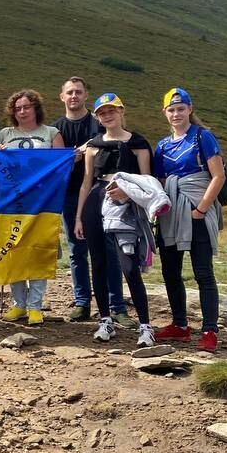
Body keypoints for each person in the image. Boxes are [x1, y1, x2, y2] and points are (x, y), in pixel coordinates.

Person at [74, 93, 155, 345]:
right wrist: (78, 217)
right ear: (98, 117)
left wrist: (131, 196)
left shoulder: (138, 144)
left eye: (112, 110)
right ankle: (105, 320)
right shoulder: (93, 146)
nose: (107, 115)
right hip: (96, 201)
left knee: (128, 265)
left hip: (126, 203)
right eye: (102, 113)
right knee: (97, 262)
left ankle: (145, 325)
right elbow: (86, 183)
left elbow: (148, 181)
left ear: (121, 111)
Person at [152, 87, 227, 353]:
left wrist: (201, 210)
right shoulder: (161, 146)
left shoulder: (202, 137)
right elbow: (159, 181)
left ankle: (209, 330)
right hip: (172, 212)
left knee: (203, 272)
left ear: (190, 109)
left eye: (180, 108)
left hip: (196, 208)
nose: (176, 114)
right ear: (165, 113)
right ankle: (180, 325)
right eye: (171, 110)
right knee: (170, 271)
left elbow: (217, 176)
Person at [53, 77, 130, 324]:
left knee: (109, 250)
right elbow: (53, 163)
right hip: (68, 194)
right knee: (77, 251)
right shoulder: (55, 129)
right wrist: (72, 156)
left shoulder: (98, 123)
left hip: (102, 193)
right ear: (61, 97)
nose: (74, 96)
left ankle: (117, 306)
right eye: (69, 92)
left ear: (86, 95)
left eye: (78, 92)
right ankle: (82, 302)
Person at [0, 89, 63, 324]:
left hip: (42, 202)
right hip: (12, 203)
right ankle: (19, 304)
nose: (22, 111)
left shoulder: (51, 133)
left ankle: (36, 305)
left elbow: (59, 168)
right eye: (18, 108)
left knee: (37, 252)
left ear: (36, 108)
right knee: (14, 251)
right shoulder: (5, 134)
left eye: (27, 107)